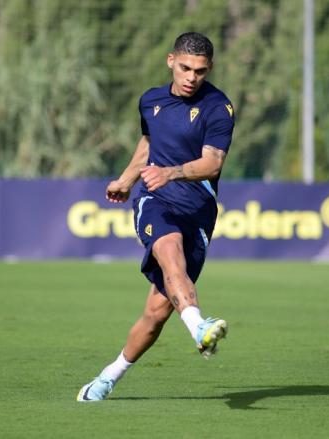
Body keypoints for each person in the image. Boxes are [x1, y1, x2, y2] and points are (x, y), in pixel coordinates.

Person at [77, 32, 235, 401]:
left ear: (208, 69)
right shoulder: (150, 101)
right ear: (170, 61)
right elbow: (148, 145)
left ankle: (106, 379)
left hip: (197, 208)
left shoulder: (218, 107)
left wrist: (172, 171)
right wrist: (127, 180)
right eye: (185, 68)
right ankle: (198, 327)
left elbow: (213, 162)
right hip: (155, 199)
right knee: (169, 247)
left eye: (200, 70)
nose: (191, 77)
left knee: (157, 312)